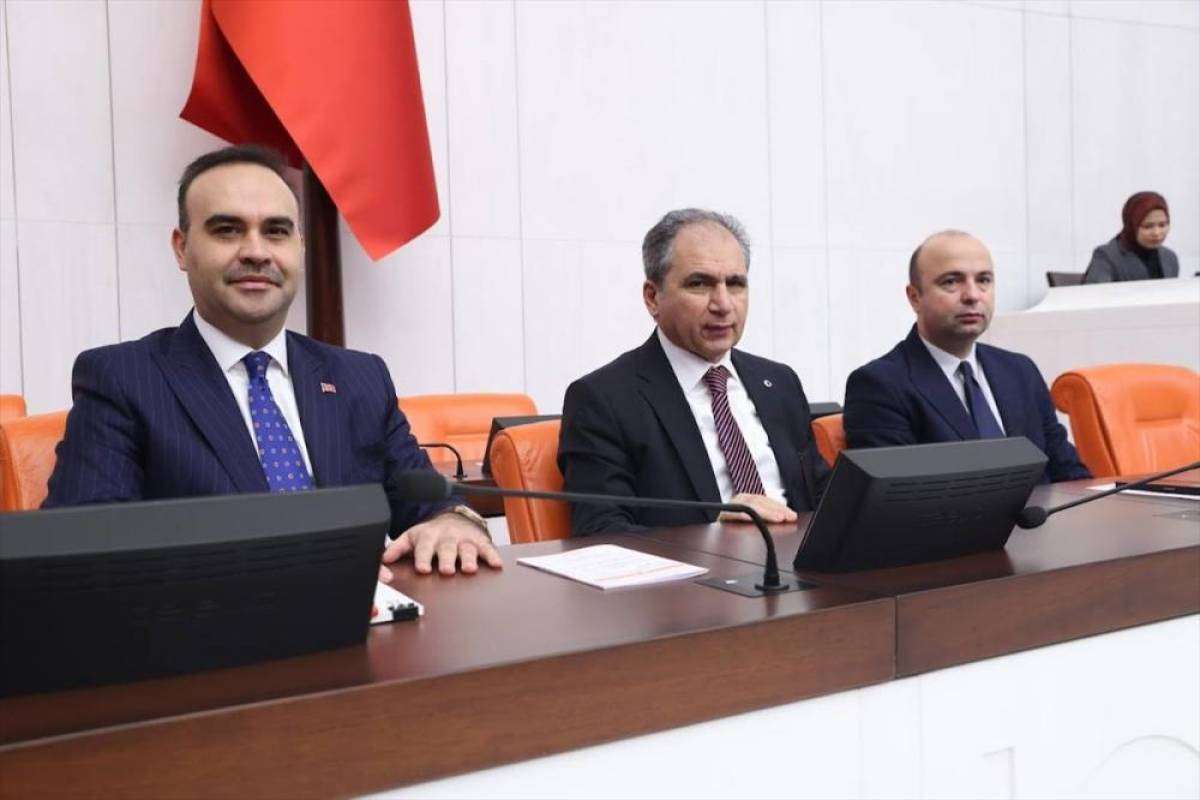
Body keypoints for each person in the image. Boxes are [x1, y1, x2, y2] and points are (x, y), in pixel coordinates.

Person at [43, 145, 501, 578]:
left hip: (366, 625)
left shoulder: (359, 377)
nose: (256, 252)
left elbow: (427, 500)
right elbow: (83, 545)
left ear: (299, 247)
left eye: (276, 231)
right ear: (181, 248)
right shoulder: (124, 379)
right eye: (227, 230)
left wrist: (455, 522)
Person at [558, 208, 830, 534]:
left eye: (735, 284)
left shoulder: (780, 382)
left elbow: (822, 497)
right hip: (696, 567)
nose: (723, 304)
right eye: (699, 284)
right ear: (653, 298)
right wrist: (714, 535)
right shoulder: (604, 399)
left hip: (799, 560)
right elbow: (601, 530)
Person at [844, 230, 1090, 484]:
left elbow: (1068, 471)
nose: (972, 295)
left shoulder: (1020, 371)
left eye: (983, 280)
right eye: (951, 281)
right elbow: (896, 495)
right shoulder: (880, 385)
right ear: (915, 297)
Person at [1083, 191, 1180, 283]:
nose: (1156, 233)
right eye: (1148, 226)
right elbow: (1097, 293)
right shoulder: (1107, 257)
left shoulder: (1169, 257)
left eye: (1162, 225)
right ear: (1132, 226)